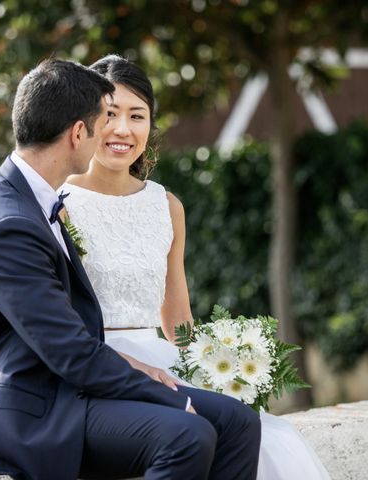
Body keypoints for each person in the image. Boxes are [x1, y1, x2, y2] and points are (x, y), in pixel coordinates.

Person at [0, 57, 261, 480]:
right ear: (78, 133)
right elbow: (68, 351)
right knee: (186, 434)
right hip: (20, 408)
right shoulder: (8, 222)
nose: (112, 131)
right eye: (103, 120)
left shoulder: (31, 198)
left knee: (237, 422)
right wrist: (171, 398)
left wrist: (145, 368)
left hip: (62, 386)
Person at [63, 54, 331, 480]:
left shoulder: (166, 206)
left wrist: (212, 365)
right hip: (95, 365)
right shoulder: (60, 205)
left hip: (160, 358)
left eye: (137, 115)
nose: (122, 130)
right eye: (109, 114)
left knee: (272, 439)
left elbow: (177, 315)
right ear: (86, 120)